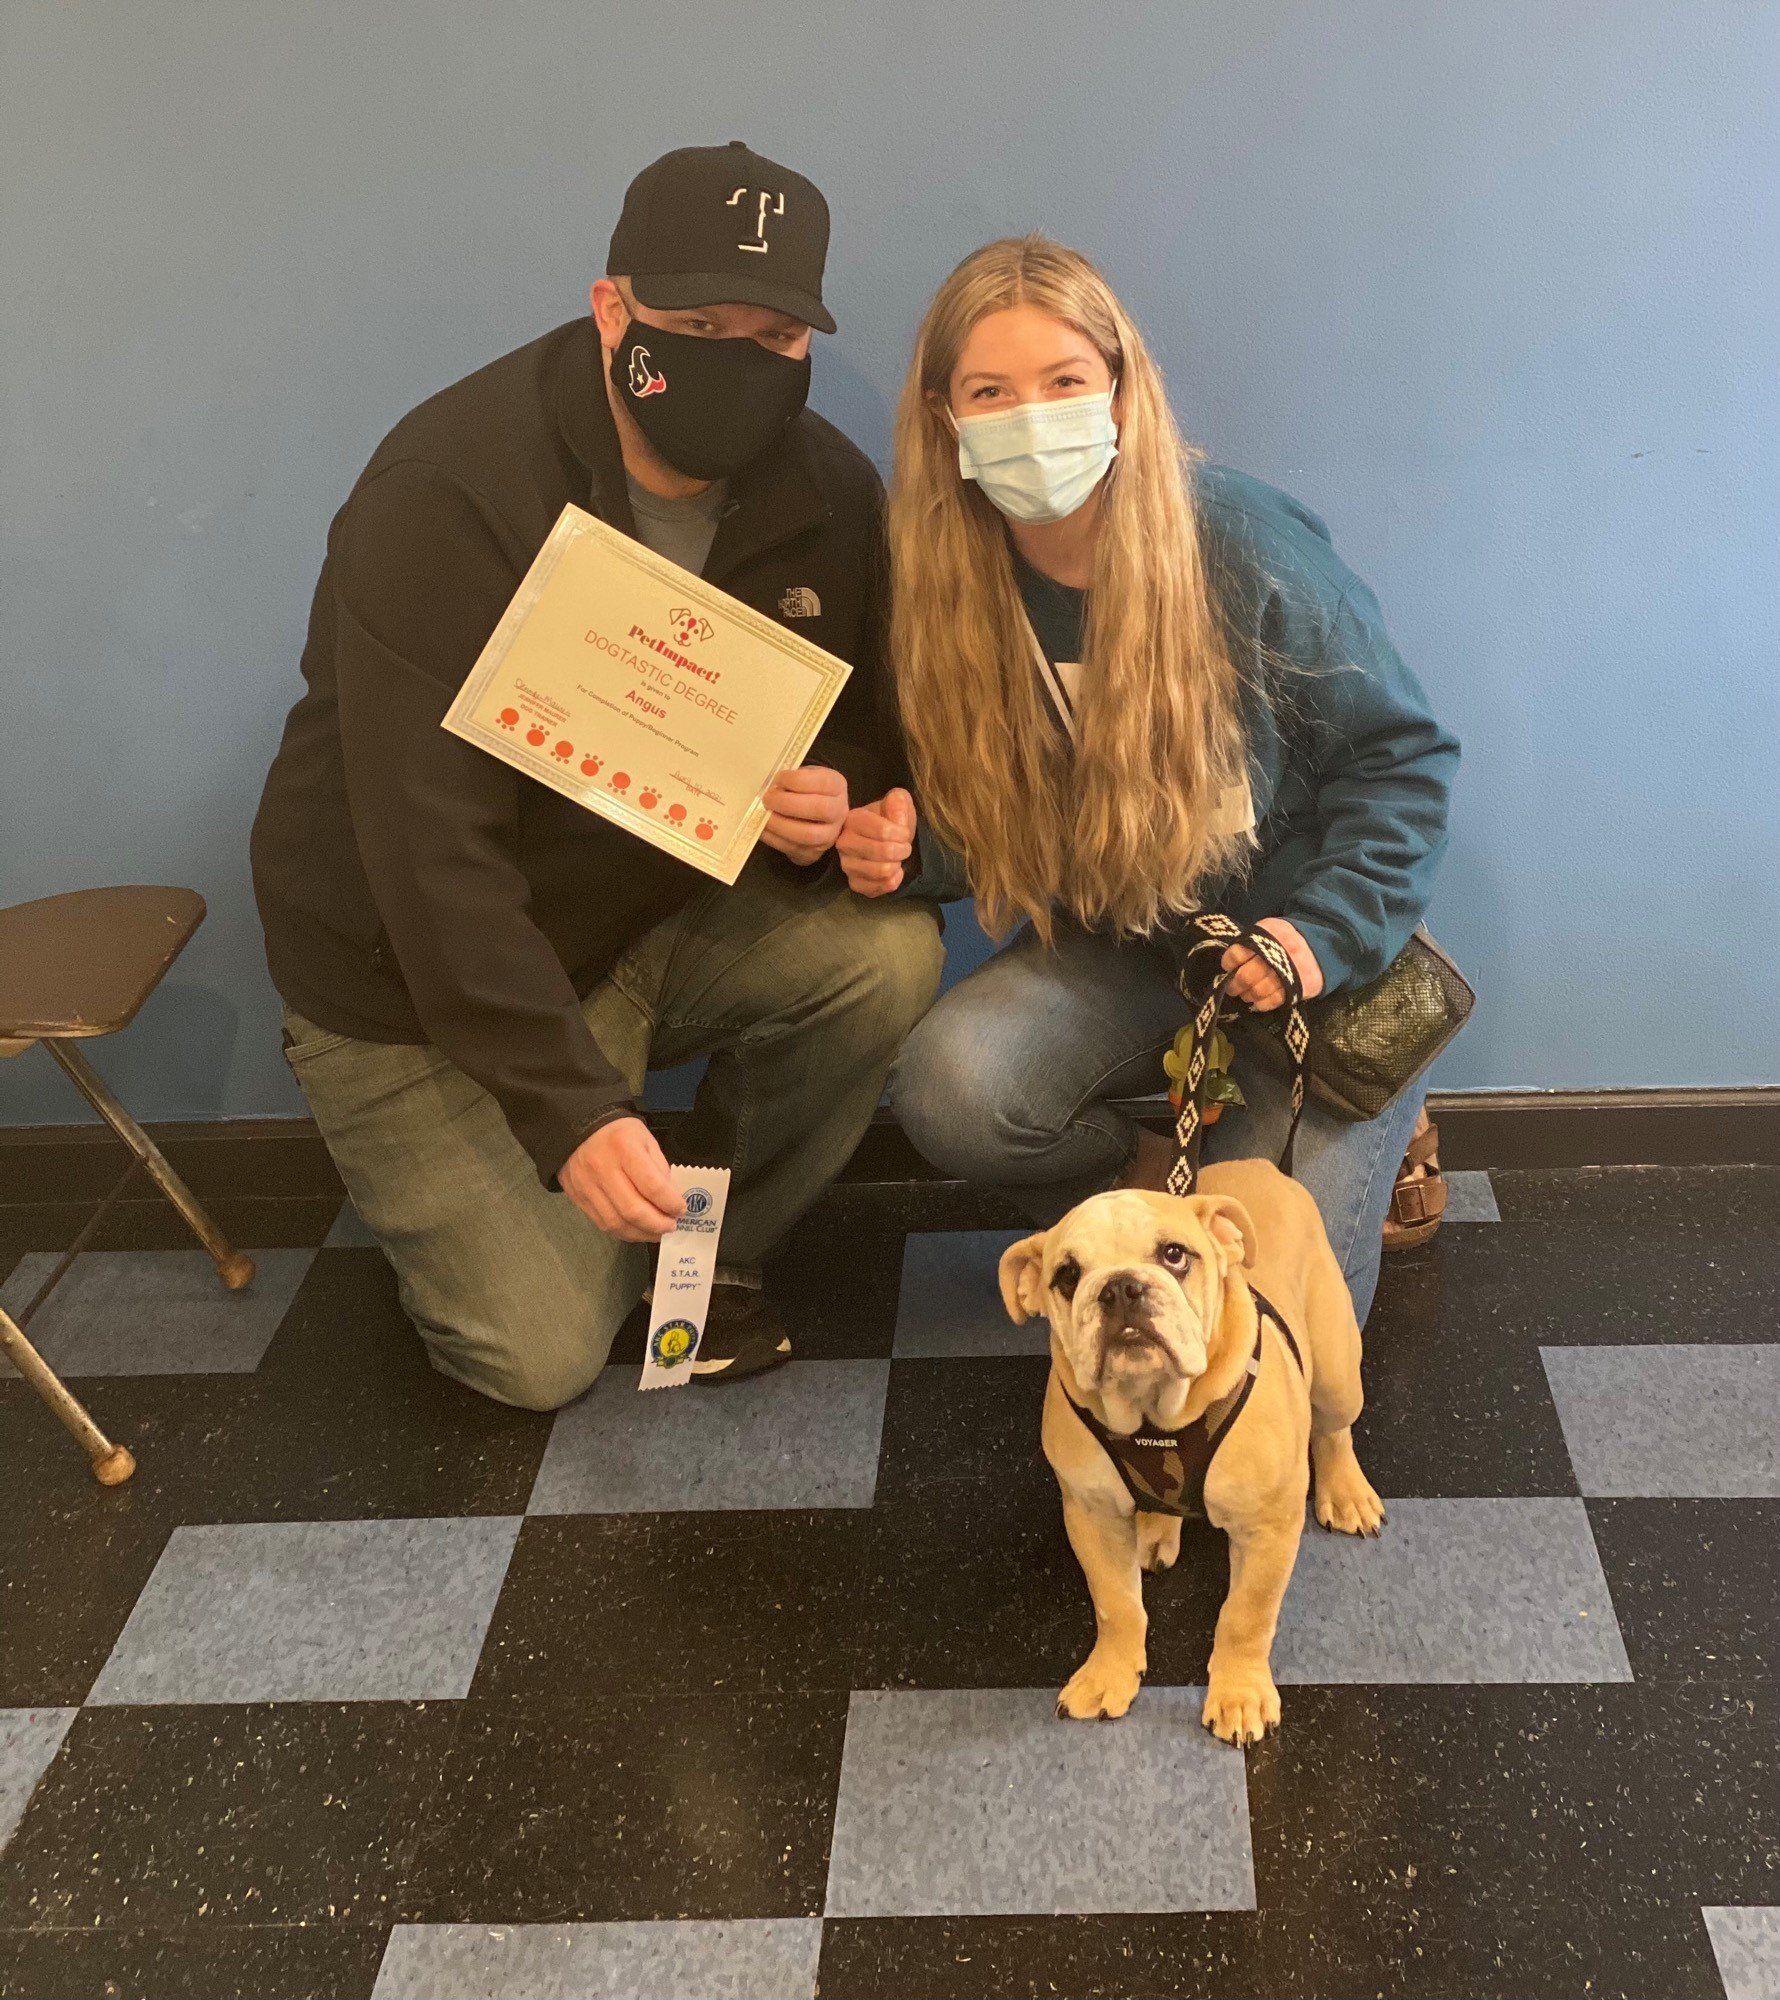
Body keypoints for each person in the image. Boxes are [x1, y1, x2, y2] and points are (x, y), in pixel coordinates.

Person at [251, 143, 942, 1408]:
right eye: (695, 323)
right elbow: (425, 847)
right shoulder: (449, 486)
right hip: (406, 976)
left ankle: (699, 1235)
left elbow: (858, 725)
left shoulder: (831, 487)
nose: (741, 358)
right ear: (610, 307)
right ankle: (573, 1161)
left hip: (638, 917)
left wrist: (828, 789)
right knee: (539, 1361)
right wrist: (568, 1108)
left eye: (777, 333)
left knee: (883, 957)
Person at [836, 237, 1457, 1323]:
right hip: (1138, 950)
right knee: (952, 1086)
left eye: (1065, 380)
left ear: (1120, 387)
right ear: (945, 415)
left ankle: (1376, 1124)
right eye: (991, 390)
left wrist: (1318, 936)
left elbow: (1399, 759)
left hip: (1310, 965)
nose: (1030, 415)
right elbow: (1005, 823)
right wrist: (907, 842)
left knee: (1266, 1311)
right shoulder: (948, 576)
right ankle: (1168, 1188)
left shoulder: (1236, 539)